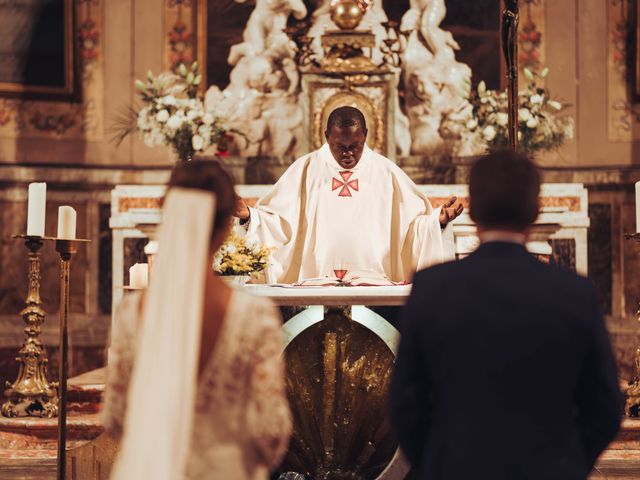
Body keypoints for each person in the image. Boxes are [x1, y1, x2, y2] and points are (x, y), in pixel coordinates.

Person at [389, 150, 622, 480]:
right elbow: (605, 405)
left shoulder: (431, 289)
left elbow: (404, 405)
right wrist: (567, 463)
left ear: (473, 208)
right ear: (535, 210)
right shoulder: (574, 293)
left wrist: (437, 463)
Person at [102, 160, 291, 480]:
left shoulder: (131, 313)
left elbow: (116, 417)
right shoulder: (253, 316)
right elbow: (270, 431)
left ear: (169, 214)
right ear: (225, 227)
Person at [235, 106, 464, 284]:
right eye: (339, 146)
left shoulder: (386, 171)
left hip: (376, 282)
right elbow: (278, 224)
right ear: (326, 137)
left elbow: (412, 229)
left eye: (355, 145)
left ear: (365, 134)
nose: (347, 154)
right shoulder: (305, 169)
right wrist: (249, 217)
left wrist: (437, 221)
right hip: (313, 280)